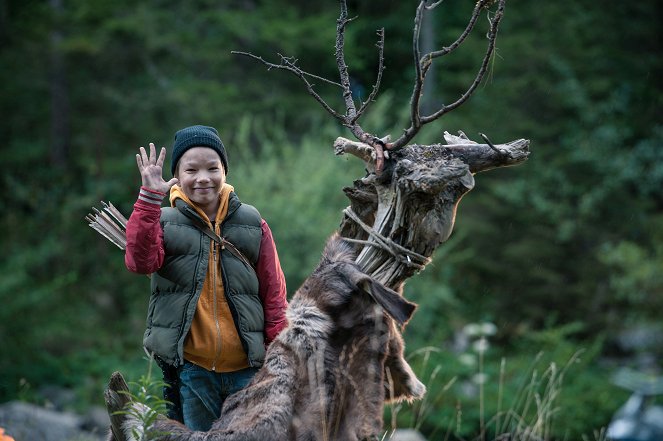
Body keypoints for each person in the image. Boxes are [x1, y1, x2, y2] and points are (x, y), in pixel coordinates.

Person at [124, 125, 288, 431]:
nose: (203, 177)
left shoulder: (252, 223)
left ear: (224, 171)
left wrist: (280, 354)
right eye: (191, 169)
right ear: (178, 175)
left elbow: (274, 293)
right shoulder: (163, 221)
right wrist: (148, 199)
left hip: (248, 369)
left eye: (213, 168)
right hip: (193, 368)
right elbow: (140, 262)